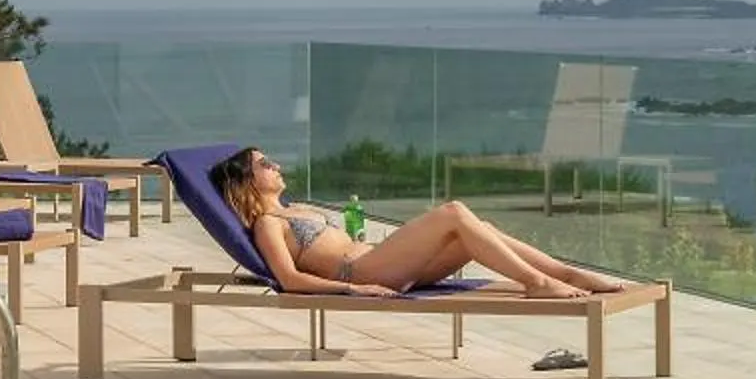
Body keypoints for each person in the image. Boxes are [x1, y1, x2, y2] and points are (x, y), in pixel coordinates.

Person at [210, 148, 639, 298]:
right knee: (453, 212)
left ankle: (564, 272)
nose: (276, 165)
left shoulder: (297, 206)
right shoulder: (269, 223)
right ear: (247, 181)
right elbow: (289, 280)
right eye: (265, 164)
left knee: (480, 227)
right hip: (365, 272)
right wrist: (355, 288)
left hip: (382, 260)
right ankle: (538, 282)